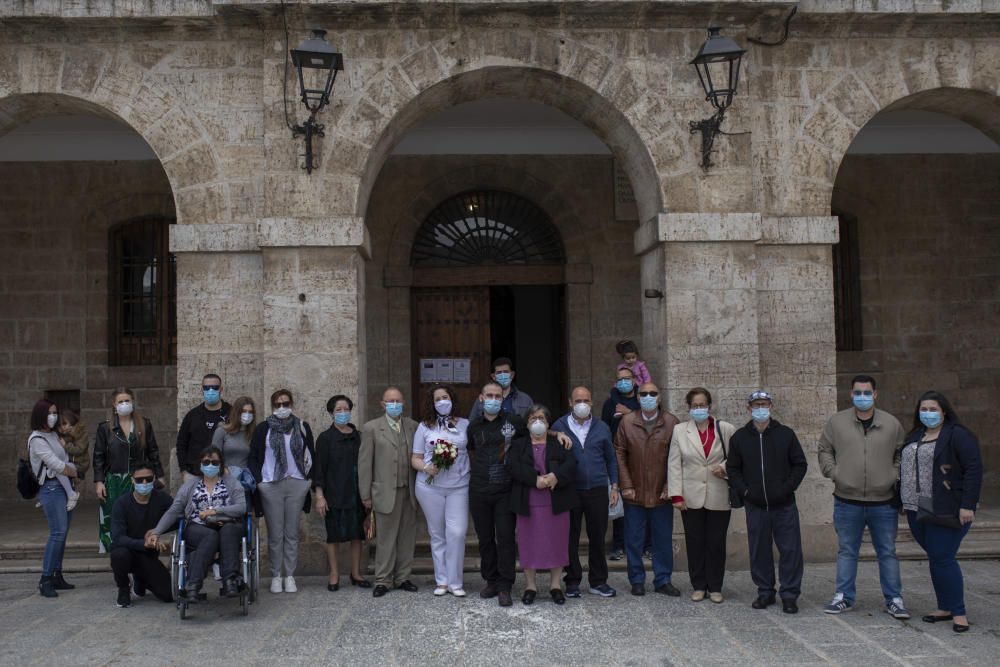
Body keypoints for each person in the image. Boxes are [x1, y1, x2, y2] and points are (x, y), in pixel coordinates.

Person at [818, 375, 909, 619]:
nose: (862, 397)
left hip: (883, 501)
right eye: (858, 392)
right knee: (847, 550)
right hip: (847, 500)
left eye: (867, 393)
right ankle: (843, 597)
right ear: (851, 394)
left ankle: (894, 599)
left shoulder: (891, 424)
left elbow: (902, 453)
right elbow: (825, 449)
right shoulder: (837, 422)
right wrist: (834, 472)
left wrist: (893, 474)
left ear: (875, 394)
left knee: (887, 551)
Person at [900, 390, 982, 633]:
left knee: (943, 557)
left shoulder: (957, 435)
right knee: (936, 557)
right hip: (917, 506)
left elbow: (973, 468)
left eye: (933, 409)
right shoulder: (916, 434)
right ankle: (944, 607)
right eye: (923, 409)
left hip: (948, 505)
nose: (928, 413)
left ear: (944, 411)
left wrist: (967, 504)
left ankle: (959, 612)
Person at [726, 391, 808, 614]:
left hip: (784, 505)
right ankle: (765, 592)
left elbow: (800, 464)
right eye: (755, 405)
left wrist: (786, 488)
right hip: (756, 505)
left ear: (771, 406)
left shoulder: (785, 434)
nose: (760, 408)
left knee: (790, 550)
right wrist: (744, 490)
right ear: (749, 408)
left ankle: (790, 594)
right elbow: (732, 468)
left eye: (763, 404)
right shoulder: (740, 438)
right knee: (759, 549)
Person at [667, 387, 737, 603]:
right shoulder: (680, 430)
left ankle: (715, 586)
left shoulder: (724, 429)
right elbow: (674, 463)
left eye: (702, 405)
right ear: (689, 408)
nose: (699, 409)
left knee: (716, 542)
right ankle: (698, 585)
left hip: (718, 493)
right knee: (695, 542)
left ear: (710, 406)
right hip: (691, 495)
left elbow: (737, 456)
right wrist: (676, 495)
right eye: (695, 406)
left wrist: (724, 467)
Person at [151, 445, 246, 602]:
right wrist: (157, 531)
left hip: (228, 525)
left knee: (227, 531)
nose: (210, 466)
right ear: (200, 464)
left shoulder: (231, 482)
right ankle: (193, 586)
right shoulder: (191, 484)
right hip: (198, 527)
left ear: (221, 464)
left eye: (215, 462)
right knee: (210, 536)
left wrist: (215, 510)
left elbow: (242, 507)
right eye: (206, 462)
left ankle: (230, 581)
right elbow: (174, 510)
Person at [613, 381, 680, 597]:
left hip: (662, 493)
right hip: (635, 492)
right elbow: (619, 453)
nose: (648, 397)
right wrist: (626, 485)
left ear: (659, 397)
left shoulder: (671, 422)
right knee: (633, 539)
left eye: (653, 393)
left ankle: (663, 579)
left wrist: (671, 486)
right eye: (644, 394)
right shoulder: (627, 421)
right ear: (638, 398)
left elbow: (678, 458)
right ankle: (637, 580)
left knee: (662, 539)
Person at [552, 386, 618, 598]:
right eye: (578, 400)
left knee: (597, 536)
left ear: (591, 403)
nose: (582, 404)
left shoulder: (602, 427)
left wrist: (614, 485)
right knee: (569, 536)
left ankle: (598, 581)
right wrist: (555, 433)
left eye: (586, 400)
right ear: (570, 402)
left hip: (597, 488)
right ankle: (572, 581)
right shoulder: (559, 425)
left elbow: (611, 458)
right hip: (570, 489)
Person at [508, 404, 577, 605]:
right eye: (533, 418)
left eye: (542, 418)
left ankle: (555, 585)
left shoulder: (559, 443)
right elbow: (513, 466)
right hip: (528, 501)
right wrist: (534, 479)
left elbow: (571, 465)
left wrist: (556, 476)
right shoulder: (519, 444)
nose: (537, 422)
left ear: (548, 423)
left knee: (556, 542)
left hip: (556, 501)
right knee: (529, 543)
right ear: (527, 423)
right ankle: (530, 586)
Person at [467, 381, 527, 607]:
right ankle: (490, 580)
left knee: (505, 538)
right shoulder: (473, 426)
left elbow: (531, 436)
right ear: (481, 398)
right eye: (488, 395)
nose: (493, 399)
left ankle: (505, 585)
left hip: (505, 490)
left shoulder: (513, 422)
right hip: (479, 490)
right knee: (485, 539)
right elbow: (471, 450)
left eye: (497, 396)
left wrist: (556, 433)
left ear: (502, 399)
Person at [249, 389, 314, 594]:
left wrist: (308, 480)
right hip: (271, 484)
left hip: (296, 483)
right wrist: (259, 482)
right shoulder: (263, 428)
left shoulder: (302, 426)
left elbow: (311, 452)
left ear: (292, 403)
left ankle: (290, 575)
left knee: (292, 532)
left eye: (285, 403)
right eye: (277, 404)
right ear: (272, 406)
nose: (282, 407)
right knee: (275, 533)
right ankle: (276, 575)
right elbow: (254, 456)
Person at [359, 386, 420, 598]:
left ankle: (403, 576)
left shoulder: (412, 426)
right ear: (383, 404)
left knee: (406, 537)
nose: (395, 404)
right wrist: (365, 494)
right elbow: (365, 463)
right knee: (386, 538)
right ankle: (383, 579)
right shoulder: (371, 428)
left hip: (408, 491)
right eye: (390, 401)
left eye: (398, 400)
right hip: (384, 491)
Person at [412, 384, 470, 596]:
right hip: (430, 488)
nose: (442, 402)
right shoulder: (424, 427)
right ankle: (442, 581)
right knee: (437, 534)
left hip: (459, 486)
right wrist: (427, 468)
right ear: (432, 404)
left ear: (452, 399)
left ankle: (456, 582)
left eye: (445, 397)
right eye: (437, 399)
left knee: (457, 532)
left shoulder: (465, 424)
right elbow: (415, 458)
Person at [93, 387, 164, 554]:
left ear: (133, 402)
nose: (124, 404)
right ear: (114, 405)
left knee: (139, 518)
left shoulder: (143, 424)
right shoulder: (105, 428)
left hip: (139, 479)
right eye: (120, 401)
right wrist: (99, 481)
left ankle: (140, 552)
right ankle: (118, 556)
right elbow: (98, 456)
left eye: (127, 401)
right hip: (114, 481)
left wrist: (159, 475)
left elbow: (153, 451)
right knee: (114, 519)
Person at [313, 394, 370, 592]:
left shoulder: (358, 436)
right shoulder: (325, 438)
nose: (343, 413)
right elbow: (318, 469)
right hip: (334, 493)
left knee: (357, 534)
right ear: (331, 413)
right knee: (334, 536)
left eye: (346, 409)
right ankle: (334, 573)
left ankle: (355, 573)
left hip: (356, 493)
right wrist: (319, 496)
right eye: (338, 410)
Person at [28, 399, 78, 597]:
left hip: (65, 486)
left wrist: (72, 472)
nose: (53, 416)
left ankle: (57, 574)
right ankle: (45, 578)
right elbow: (56, 464)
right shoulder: (37, 439)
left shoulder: (55, 434)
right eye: (49, 413)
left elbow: (66, 458)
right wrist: (74, 472)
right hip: (50, 489)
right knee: (58, 532)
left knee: (63, 533)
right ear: (40, 414)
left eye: (55, 412)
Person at [110, 462, 174, 608]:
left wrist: (158, 531)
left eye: (148, 479)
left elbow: (177, 516)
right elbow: (117, 537)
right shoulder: (121, 503)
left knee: (168, 594)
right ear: (132, 480)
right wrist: (143, 543)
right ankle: (123, 588)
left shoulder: (162, 499)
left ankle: (141, 579)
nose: (144, 483)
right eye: (139, 480)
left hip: (148, 554)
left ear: (154, 478)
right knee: (119, 554)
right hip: (127, 550)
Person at [601, 366, 640, 561]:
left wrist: (628, 413)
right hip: (617, 457)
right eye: (620, 379)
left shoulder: (643, 400)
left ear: (634, 379)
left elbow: (649, 423)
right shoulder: (610, 403)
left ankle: (644, 545)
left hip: (640, 457)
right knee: (617, 501)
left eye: (627, 378)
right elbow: (604, 429)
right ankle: (618, 545)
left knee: (641, 501)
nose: (624, 382)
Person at [176, 373, 230, 479]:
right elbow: (181, 444)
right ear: (202, 390)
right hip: (195, 474)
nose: (210, 390)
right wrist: (184, 471)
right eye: (206, 387)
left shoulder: (231, 413)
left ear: (221, 389)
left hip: (223, 475)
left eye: (214, 387)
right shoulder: (192, 415)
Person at [468, 357, 533, 421]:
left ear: (512, 375)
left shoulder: (525, 399)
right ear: (493, 376)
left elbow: (531, 423)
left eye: (505, 372)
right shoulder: (482, 399)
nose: (503, 375)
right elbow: (471, 423)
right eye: (499, 373)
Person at [211, 395, 257, 470]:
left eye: (250, 412)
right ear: (237, 412)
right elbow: (213, 457)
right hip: (225, 476)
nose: (247, 415)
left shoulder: (253, 433)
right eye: (244, 411)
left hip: (246, 478)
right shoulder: (222, 431)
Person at [58, 410, 89, 511]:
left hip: (80, 465)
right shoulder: (68, 433)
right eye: (61, 425)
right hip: (73, 463)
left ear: (72, 422)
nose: (63, 427)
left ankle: (71, 494)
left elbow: (79, 450)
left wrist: (65, 445)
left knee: (60, 468)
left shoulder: (81, 433)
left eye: (65, 424)